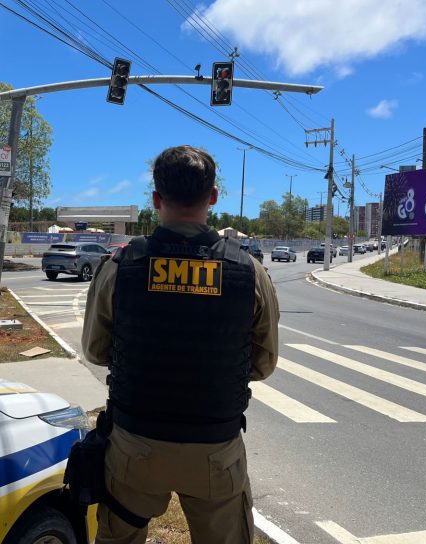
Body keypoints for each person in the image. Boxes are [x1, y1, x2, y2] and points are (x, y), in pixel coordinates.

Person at [81, 145, 279, 544]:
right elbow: (263, 363)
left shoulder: (121, 267)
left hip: (135, 444)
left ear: (156, 199)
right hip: (215, 450)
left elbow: (96, 351)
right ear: (213, 197)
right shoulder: (249, 271)